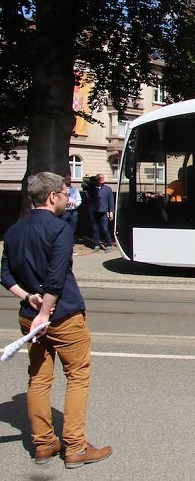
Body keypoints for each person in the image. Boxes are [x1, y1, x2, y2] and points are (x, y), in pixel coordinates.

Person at [1, 172, 112, 468]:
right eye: (65, 193)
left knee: (38, 378)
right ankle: (75, 446)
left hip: (29, 317)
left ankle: (43, 444)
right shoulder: (59, 229)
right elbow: (56, 277)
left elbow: (5, 275)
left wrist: (27, 298)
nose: (67, 198)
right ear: (52, 197)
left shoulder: (14, 231)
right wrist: (43, 311)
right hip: (61, 316)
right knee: (77, 376)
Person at [87, 174, 114, 251]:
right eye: (100, 178)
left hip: (103, 212)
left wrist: (111, 211)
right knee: (95, 228)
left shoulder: (107, 189)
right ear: (97, 179)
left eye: (103, 177)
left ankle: (109, 244)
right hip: (94, 211)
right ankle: (96, 245)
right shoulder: (92, 189)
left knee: (105, 228)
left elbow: (111, 201)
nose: (102, 179)